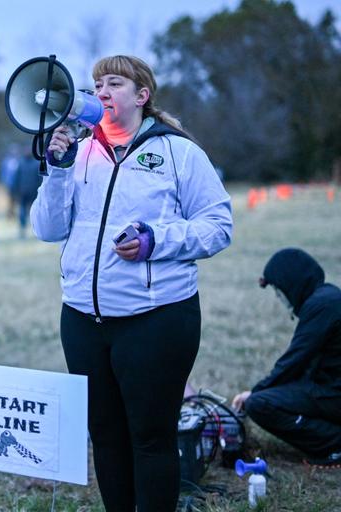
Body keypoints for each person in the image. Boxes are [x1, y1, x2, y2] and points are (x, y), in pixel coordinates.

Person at [30, 55, 232, 511]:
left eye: (113, 83)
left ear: (142, 96)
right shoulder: (79, 153)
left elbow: (218, 224)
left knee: (149, 437)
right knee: (104, 435)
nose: (101, 91)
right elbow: (46, 228)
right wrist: (57, 170)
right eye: (96, 84)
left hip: (156, 319)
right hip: (82, 318)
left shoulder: (179, 153)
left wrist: (156, 240)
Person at [232, 248, 341, 468]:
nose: (283, 300)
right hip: (330, 388)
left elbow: (293, 361)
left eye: (280, 292)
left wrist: (255, 392)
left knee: (259, 404)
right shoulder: (328, 297)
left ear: (292, 282)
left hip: (333, 393)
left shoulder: (321, 305)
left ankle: (334, 443)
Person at [12, 146, 42, 238]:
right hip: (23, 191)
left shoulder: (36, 164)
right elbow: (16, 178)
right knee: (22, 211)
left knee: (34, 211)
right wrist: (15, 191)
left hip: (33, 191)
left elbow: (40, 179)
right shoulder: (21, 163)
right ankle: (23, 229)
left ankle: (36, 229)